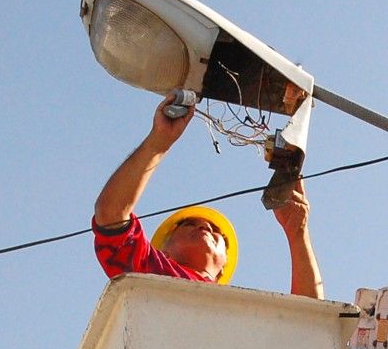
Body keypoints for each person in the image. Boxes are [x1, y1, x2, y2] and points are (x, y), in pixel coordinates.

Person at [93, 93, 324, 299]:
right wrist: (159, 141)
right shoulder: (150, 275)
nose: (204, 225)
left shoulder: (242, 311)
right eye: (187, 224)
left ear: (224, 266)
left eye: (217, 232)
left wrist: (297, 233)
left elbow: (309, 326)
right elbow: (111, 213)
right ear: (165, 252)